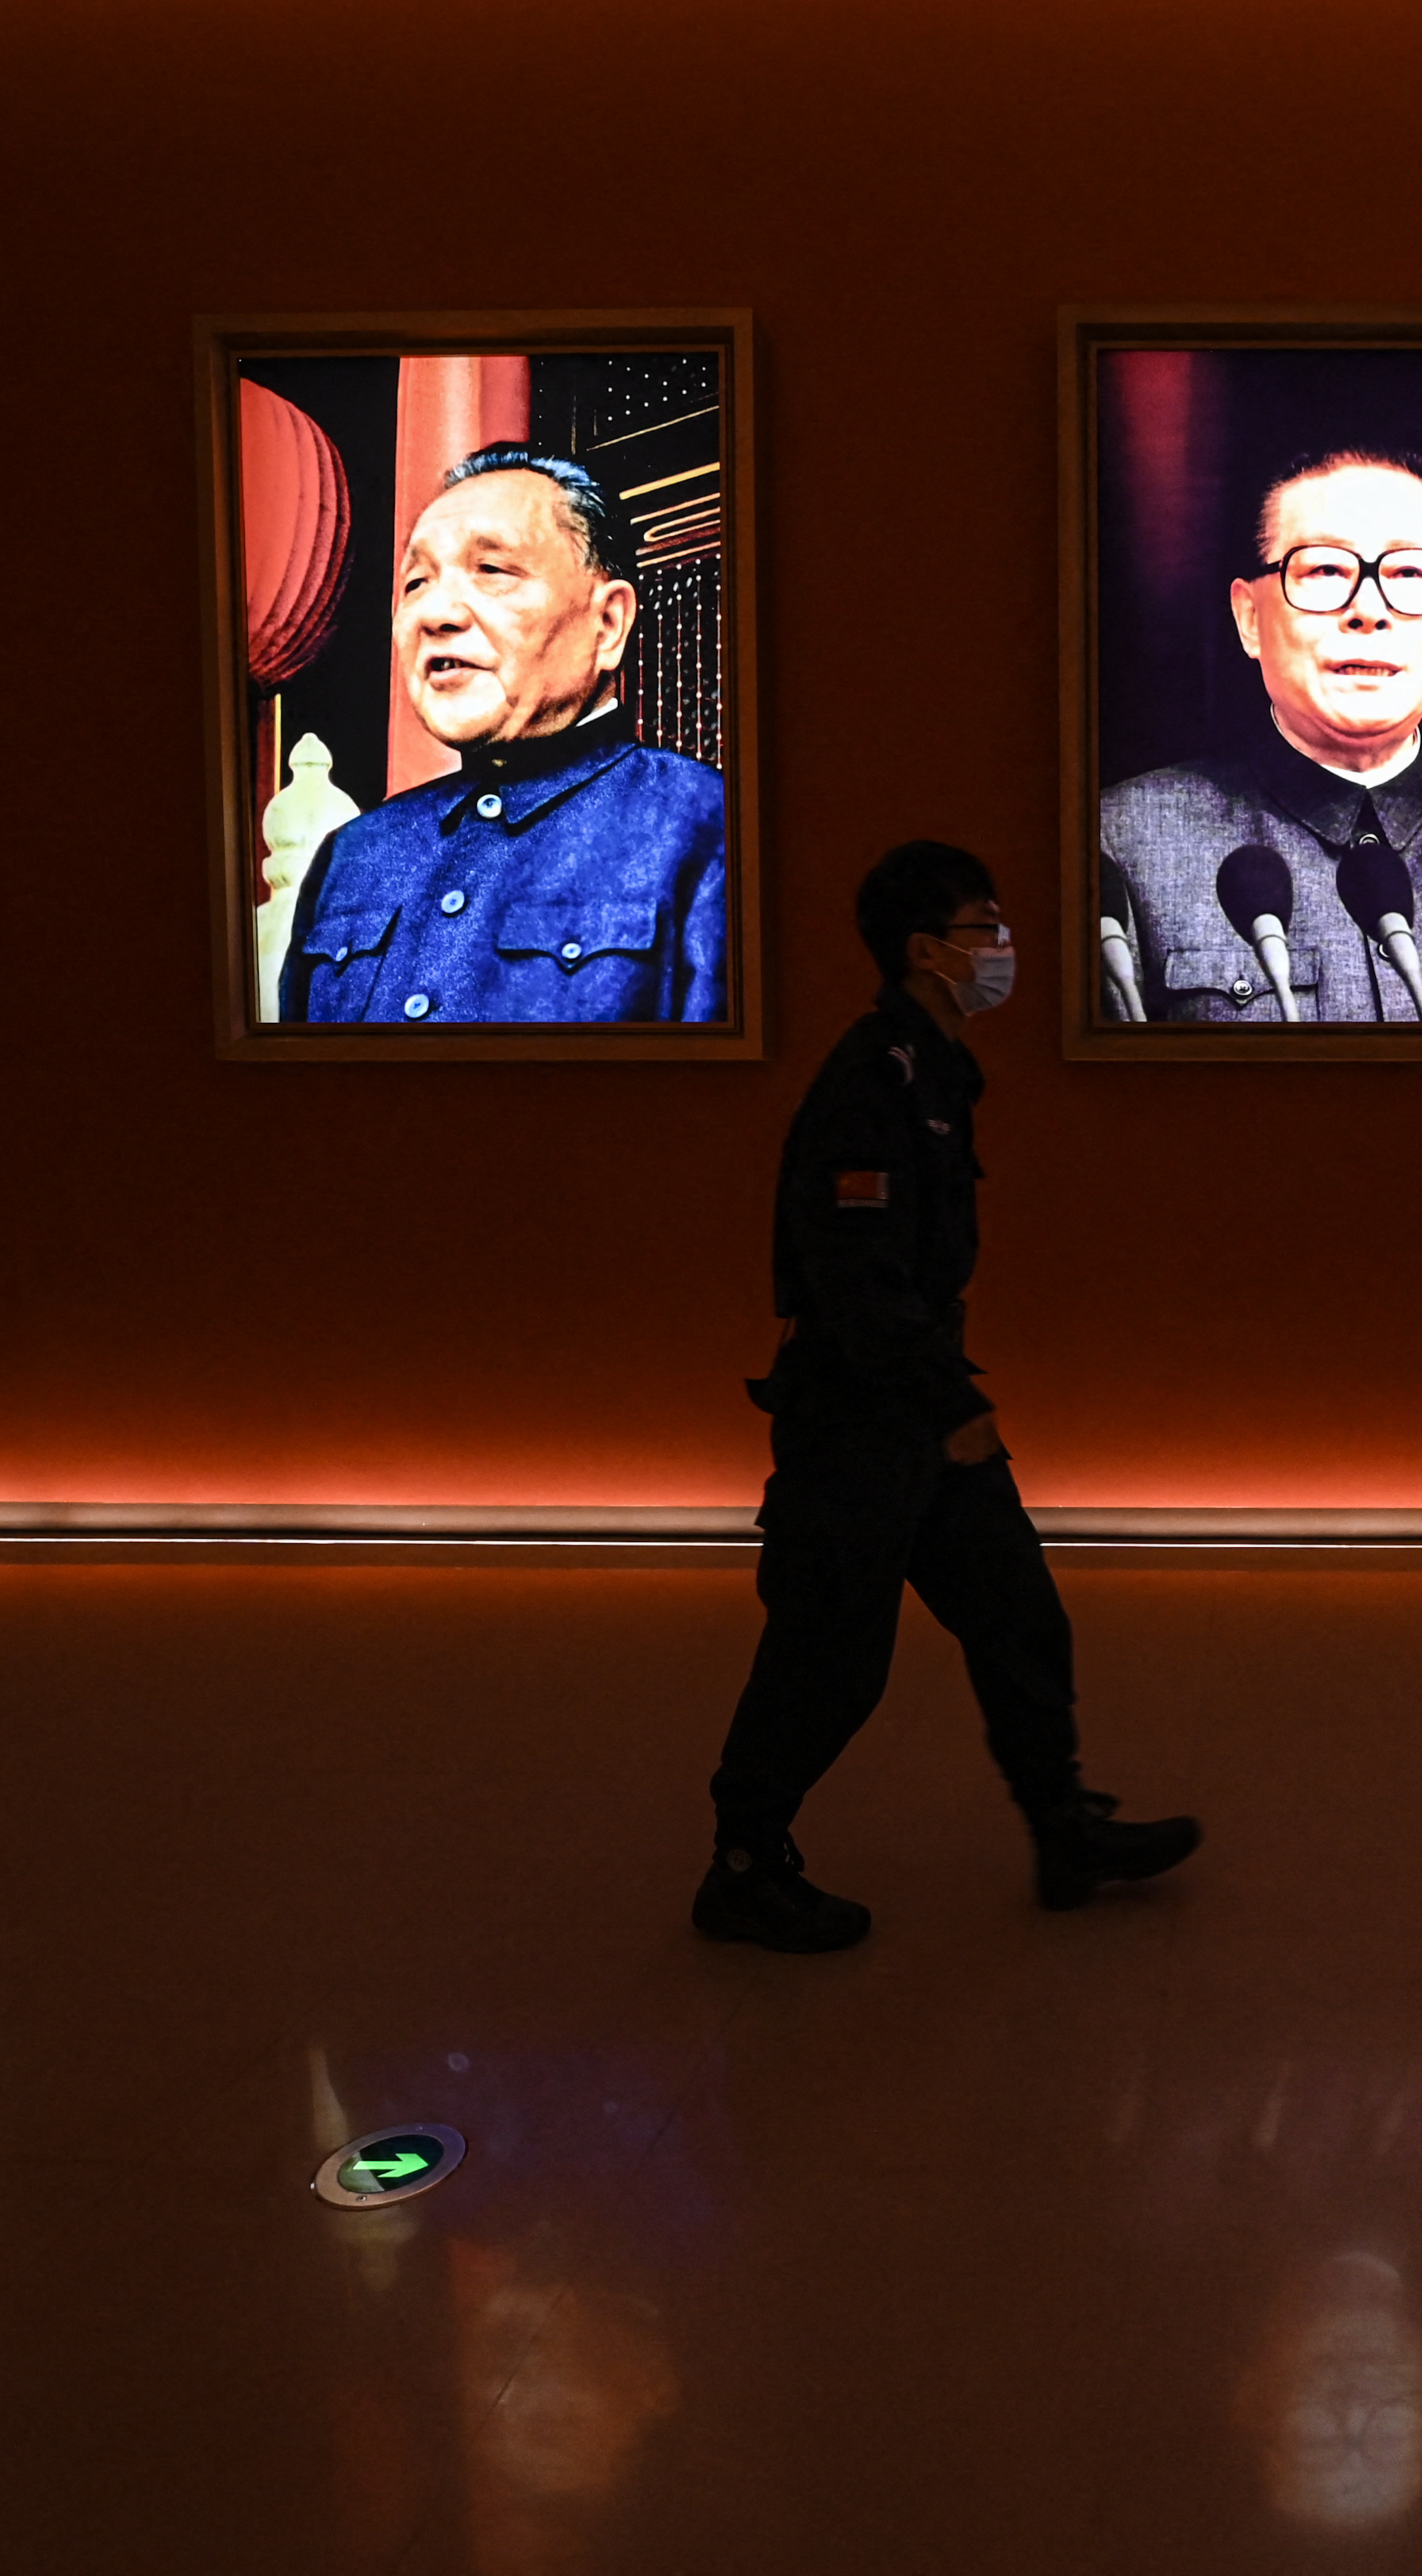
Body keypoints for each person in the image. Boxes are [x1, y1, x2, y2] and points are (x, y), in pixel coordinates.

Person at [694, 840, 1200, 1951]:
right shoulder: (871, 1080)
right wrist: (947, 1405)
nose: (1001, 948)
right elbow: (856, 1276)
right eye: (984, 929)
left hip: (923, 1408)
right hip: (864, 1418)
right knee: (828, 1659)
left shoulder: (934, 1067)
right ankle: (742, 1862)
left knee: (1018, 1615)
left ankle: (1060, 1827)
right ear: (925, 951)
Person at [1097, 448, 1422, 1023]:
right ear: (1250, 617)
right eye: (1326, 569)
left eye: (1409, 572)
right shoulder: (1122, 841)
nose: (1370, 609)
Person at [279, 442, 728, 1024]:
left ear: (608, 623)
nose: (436, 613)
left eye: (491, 570)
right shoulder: (356, 853)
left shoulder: (703, 822)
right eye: (416, 582)